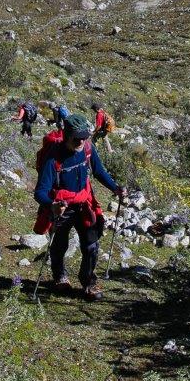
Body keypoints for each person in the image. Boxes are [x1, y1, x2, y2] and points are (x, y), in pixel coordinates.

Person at [32, 110, 123, 300]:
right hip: (62, 207)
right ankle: (60, 277)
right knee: (59, 245)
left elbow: (98, 171)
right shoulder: (53, 158)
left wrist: (115, 188)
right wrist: (52, 205)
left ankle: (88, 280)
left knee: (91, 245)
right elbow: (40, 191)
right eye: (77, 139)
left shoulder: (88, 149)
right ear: (67, 136)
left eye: (84, 137)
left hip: (84, 204)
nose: (81, 142)